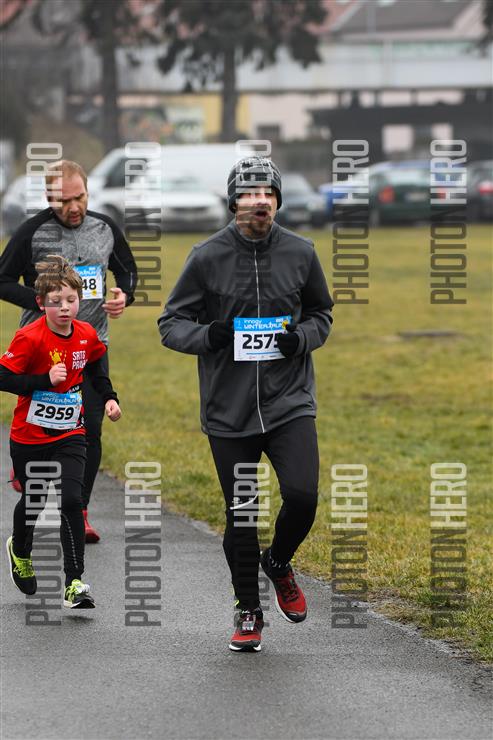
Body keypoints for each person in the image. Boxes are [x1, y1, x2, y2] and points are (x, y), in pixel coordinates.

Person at [158, 156, 333, 652]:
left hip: (289, 402)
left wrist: (301, 339)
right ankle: (249, 610)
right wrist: (209, 335)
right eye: (250, 193)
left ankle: (277, 562)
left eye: (268, 194)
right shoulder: (206, 256)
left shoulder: (301, 252)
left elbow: (321, 314)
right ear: (233, 202)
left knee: (302, 496)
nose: (260, 201)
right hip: (228, 410)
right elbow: (171, 324)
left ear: (277, 201)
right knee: (242, 515)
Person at [0, 159, 137, 543]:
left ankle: (80, 510)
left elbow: (127, 269)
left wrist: (125, 294)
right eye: (63, 201)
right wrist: (45, 300)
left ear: (88, 192)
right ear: (49, 198)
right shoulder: (32, 232)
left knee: (89, 428)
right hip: (41, 349)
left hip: (91, 345)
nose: (73, 207)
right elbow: (2, 279)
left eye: (79, 197)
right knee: (41, 421)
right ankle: (24, 467)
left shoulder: (105, 227)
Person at [0, 255, 121, 608]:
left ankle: (74, 583)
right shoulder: (29, 337)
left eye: (71, 300)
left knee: (71, 500)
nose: (65, 307)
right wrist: (43, 381)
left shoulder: (86, 334)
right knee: (34, 501)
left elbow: (96, 366)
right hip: (30, 435)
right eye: (56, 301)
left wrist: (109, 398)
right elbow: (3, 377)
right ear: (41, 303)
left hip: (71, 432)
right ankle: (20, 550)